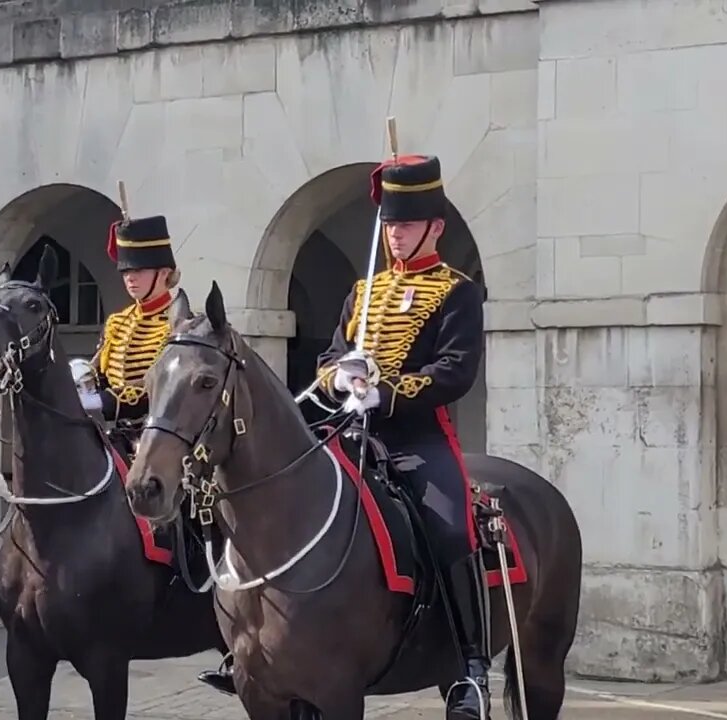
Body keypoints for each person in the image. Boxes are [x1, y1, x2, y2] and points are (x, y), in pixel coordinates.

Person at [196, 154, 490, 720]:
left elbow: (456, 370)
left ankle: (469, 668)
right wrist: (343, 375)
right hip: (346, 434)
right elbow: (331, 356)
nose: (395, 235)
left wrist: (390, 391)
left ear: (435, 227)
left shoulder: (456, 292)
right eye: (390, 225)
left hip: (416, 439)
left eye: (405, 225)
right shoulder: (364, 293)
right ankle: (245, 651)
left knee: (452, 527)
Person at [77, 214, 182, 442]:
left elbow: (164, 385)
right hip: (114, 432)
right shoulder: (117, 322)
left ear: (164, 273)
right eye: (125, 272)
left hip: (161, 436)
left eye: (138, 271)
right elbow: (100, 372)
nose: (130, 279)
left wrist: (106, 401)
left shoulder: (179, 324)